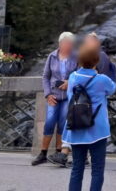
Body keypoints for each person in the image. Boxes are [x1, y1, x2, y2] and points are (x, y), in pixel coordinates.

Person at [62, 45, 116, 191]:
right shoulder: (102, 79)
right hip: (97, 129)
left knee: (77, 168)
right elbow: (112, 89)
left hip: (76, 125)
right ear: (96, 61)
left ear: (79, 61)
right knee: (97, 169)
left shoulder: (73, 77)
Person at [32, 31, 77, 167]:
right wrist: (48, 94)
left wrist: (70, 82)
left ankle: (59, 153)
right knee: (50, 122)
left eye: (71, 44)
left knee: (63, 124)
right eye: (67, 43)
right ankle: (43, 153)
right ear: (61, 43)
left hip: (68, 96)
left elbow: (80, 74)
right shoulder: (51, 56)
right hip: (53, 95)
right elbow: (45, 76)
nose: (69, 46)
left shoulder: (76, 56)